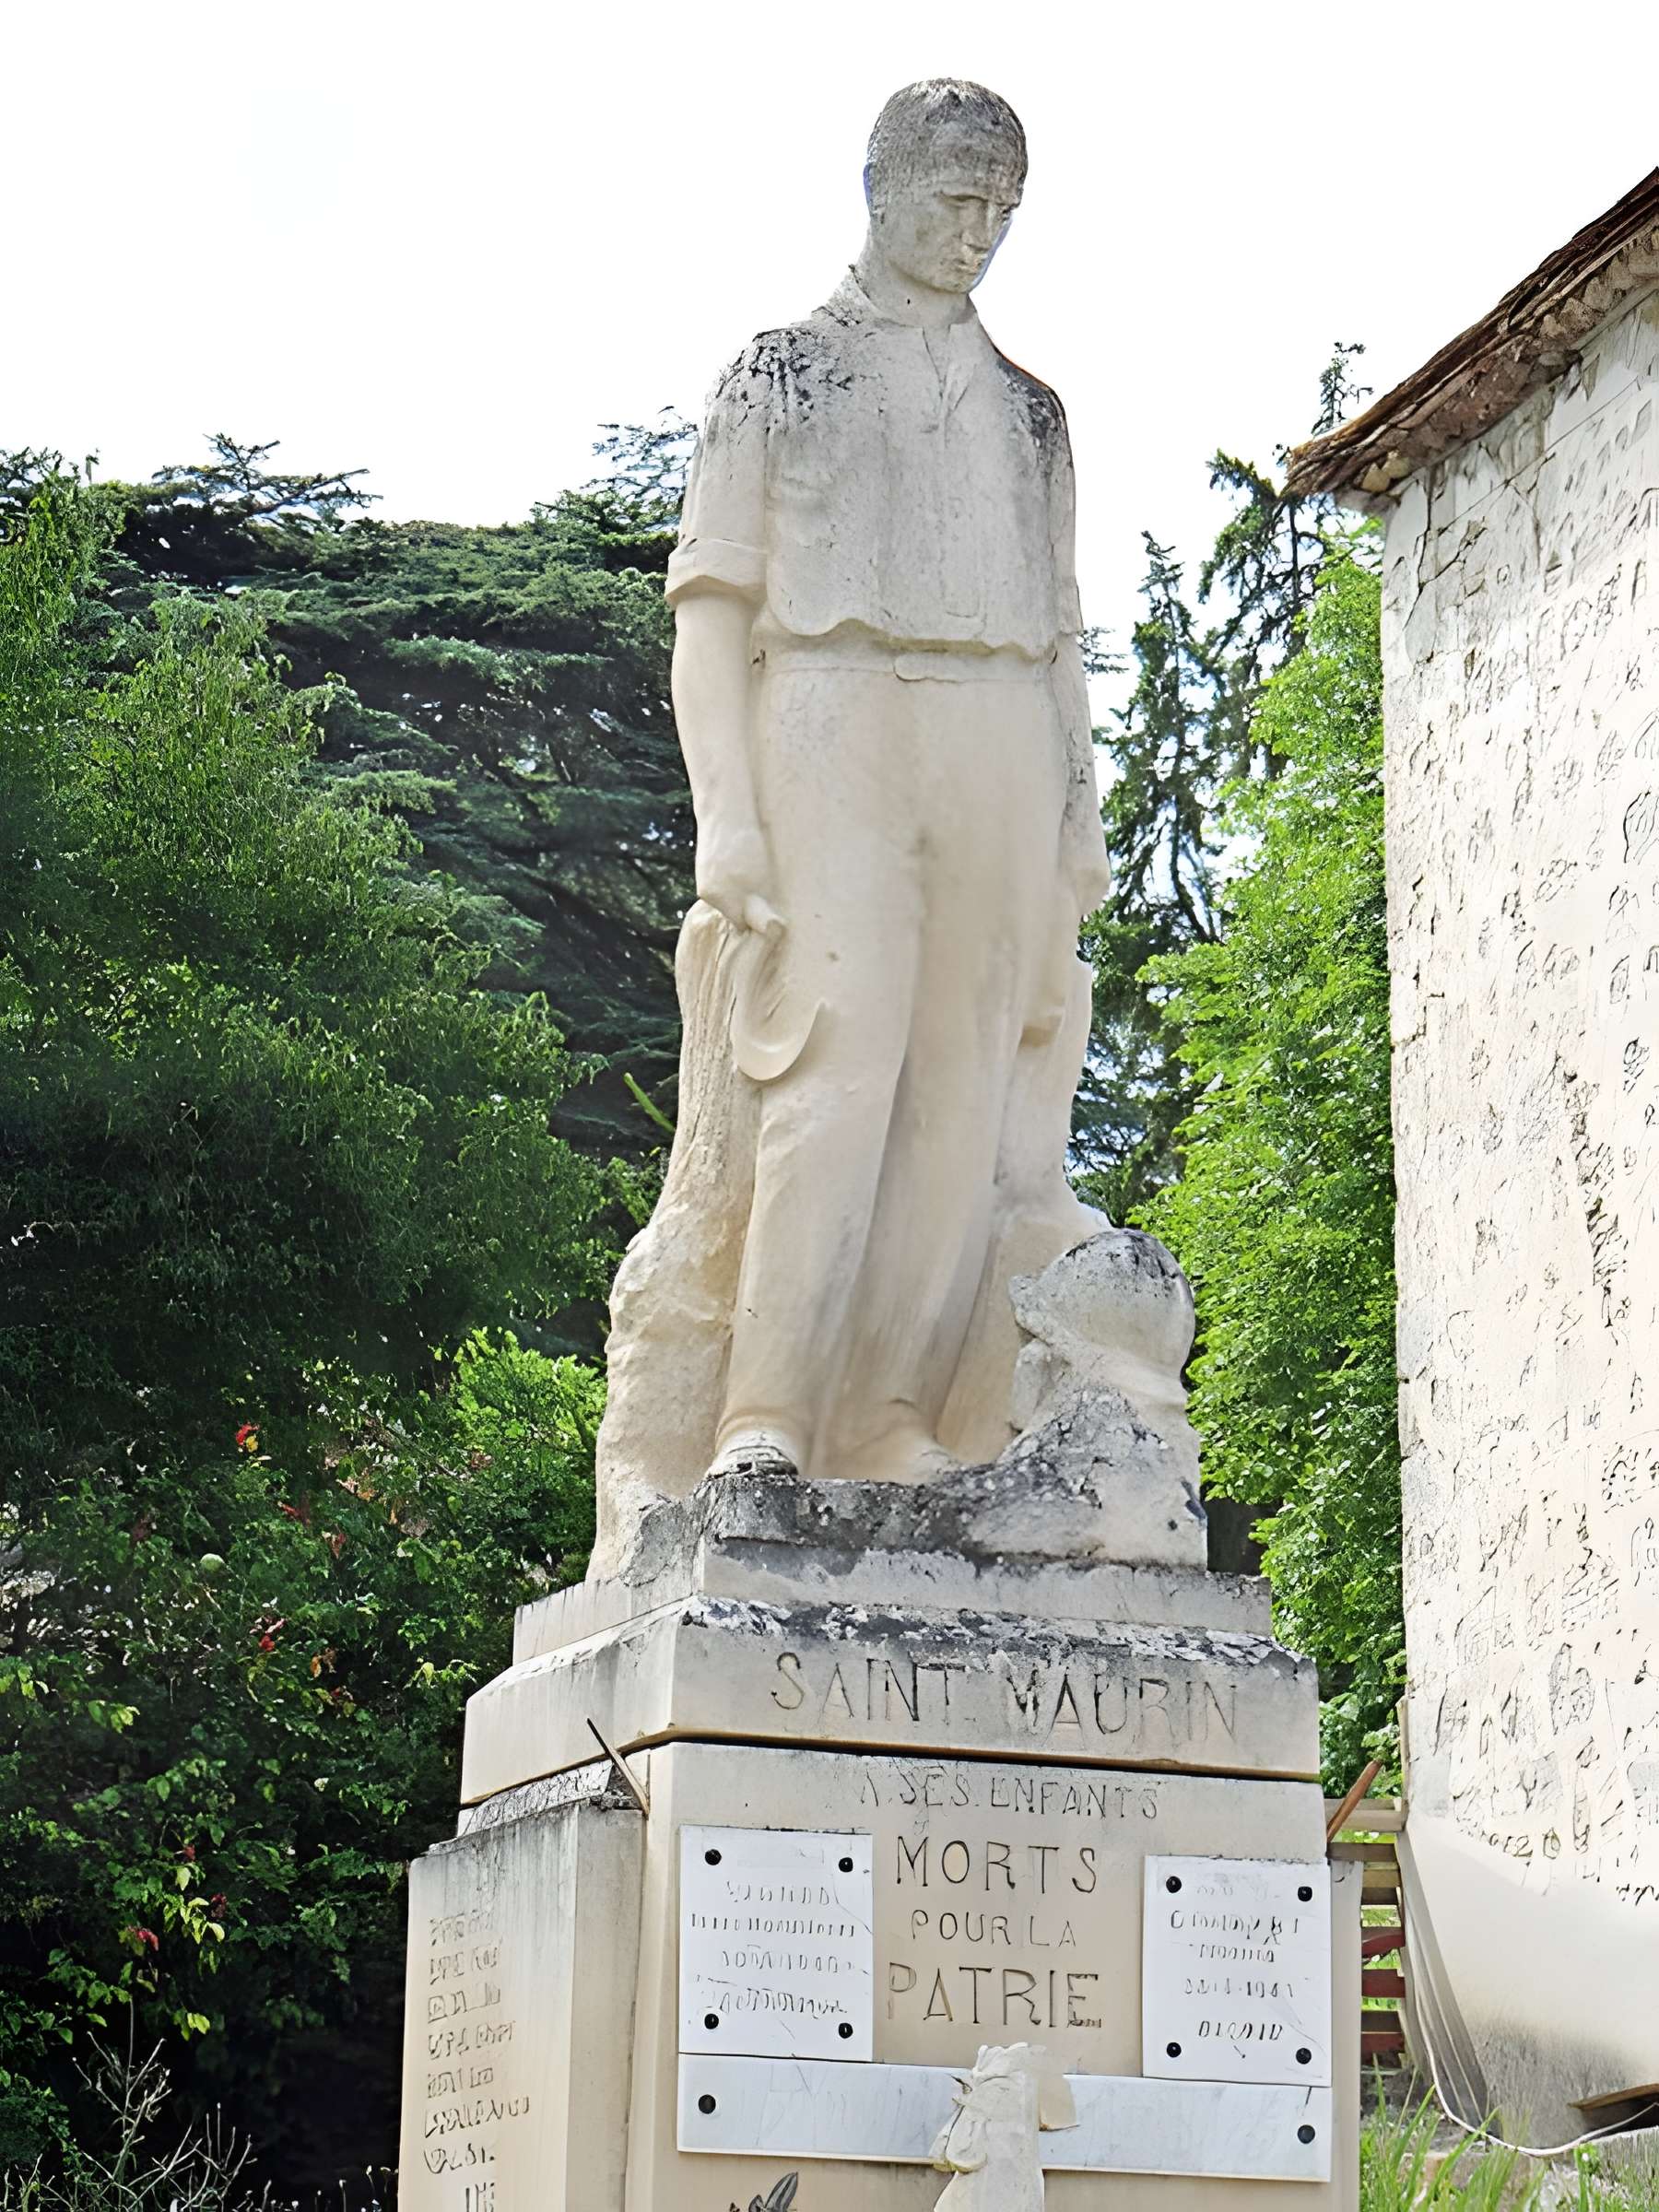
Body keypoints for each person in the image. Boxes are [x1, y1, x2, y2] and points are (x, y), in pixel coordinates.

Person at [590, 78, 1108, 1568]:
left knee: (961, 1086)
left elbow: (1066, 641)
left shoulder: (1034, 418)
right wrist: (726, 821)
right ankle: (767, 1411)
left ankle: (887, 1411)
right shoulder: (780, 378)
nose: (978, 231)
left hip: (999, 728)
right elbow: (710, 616)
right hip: (829, 708)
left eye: (1001, 206)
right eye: (955, 196)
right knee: (831, 1060)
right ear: (879, 188)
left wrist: (1078, 816)